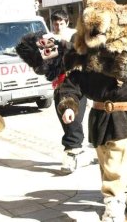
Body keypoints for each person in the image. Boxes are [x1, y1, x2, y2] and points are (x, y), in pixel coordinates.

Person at [57, 0, 127, 222]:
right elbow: (70, 86)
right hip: (98, 118)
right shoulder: (84, 53)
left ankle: (113, 210)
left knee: (113, 167)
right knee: (110, 165)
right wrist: (69, 106)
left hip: (124, 119)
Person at [49, 9, 90, 174]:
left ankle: (73, 150)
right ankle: (74, 151)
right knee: (66, 119)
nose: (58, 26)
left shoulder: (76, 37)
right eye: (55, 23)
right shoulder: (48, 39)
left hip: (78, 84)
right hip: (60, 85)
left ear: (67, 22)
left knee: (74, 119)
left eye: (61, 23)